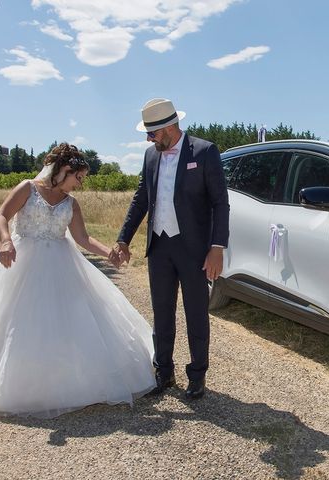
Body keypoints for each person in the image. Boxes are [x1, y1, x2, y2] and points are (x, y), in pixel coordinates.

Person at [0, 143, 156, 418]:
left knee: (66, 319)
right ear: (64, 170)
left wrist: (109, 252)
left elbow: (83, 238)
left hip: (61, 263)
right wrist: (4, 241)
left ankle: (65, 379)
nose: (80, 184)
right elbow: (2, 215)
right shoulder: (27, 188)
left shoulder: (71, 204)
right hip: (23, 262)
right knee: (19, 320)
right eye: (79, 177)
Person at [113, 98, 229, 400]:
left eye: (152, 133)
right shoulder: (151, 156)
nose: (148, 139)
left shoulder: (204, 152)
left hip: (194, 249)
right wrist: (123, 238)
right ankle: (163, 372)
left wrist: (217, 247)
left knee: (196, 313)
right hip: (159, 246)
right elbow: (141, 199)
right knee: (162, 312)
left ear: (168, 127)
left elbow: (220, 203)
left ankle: (197, 375)